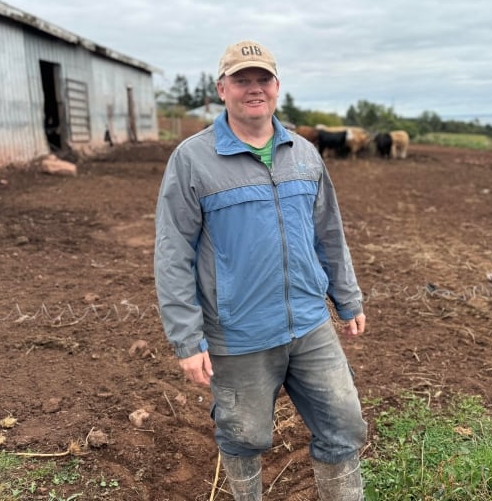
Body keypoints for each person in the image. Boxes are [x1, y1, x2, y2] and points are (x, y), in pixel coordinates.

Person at [154, 40, 368, 500]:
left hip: (309, 325)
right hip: (238, 332)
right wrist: (187, 339)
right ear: (221, 88)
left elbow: (329, 232)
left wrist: (346, 297)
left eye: (263, 79)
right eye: (241, 80)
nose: (254, 89)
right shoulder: (193, 159)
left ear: (277, 87)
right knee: (245, 436)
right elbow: (173, 253)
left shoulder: (305, 154)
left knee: (345, 426)